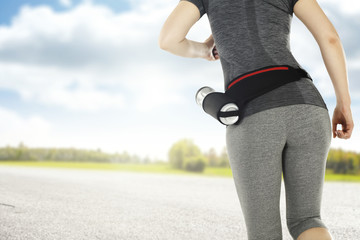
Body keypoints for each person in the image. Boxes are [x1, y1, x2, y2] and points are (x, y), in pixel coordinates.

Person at [158, 0, 354, 239]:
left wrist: (204, 50)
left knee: (264, 232)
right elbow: (330, 38)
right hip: (307, 104)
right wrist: (344, 103)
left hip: (253, 111)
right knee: (307, 219)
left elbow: (168, 39)